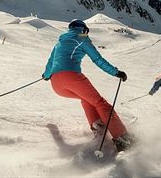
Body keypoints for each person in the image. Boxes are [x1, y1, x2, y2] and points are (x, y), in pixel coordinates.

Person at [42, 19, 133, 152]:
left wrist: (46, 75)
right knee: (101, 103)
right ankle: (123, 139)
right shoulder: (82, 37)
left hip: (56, 83)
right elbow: (97, 59)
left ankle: (99, 128)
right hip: (72, 76)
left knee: (87, 99)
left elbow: (50, 63)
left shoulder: (60, 41)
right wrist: (116, 72)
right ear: (83, 29)